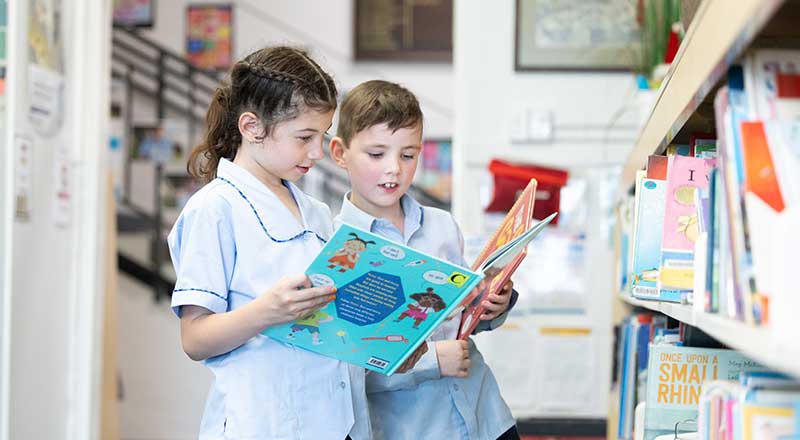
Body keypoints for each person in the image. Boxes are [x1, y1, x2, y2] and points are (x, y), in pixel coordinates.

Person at [168, 46, 372, 439]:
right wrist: (267, 311)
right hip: (263, 423)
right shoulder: (214, 208)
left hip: (335, 421)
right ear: (251, 127)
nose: (317, 152)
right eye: (304, 137)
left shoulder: (314, 211)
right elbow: (194, 339)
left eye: (322, 136)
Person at [329, 80, 521, 440]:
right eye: (376, 154)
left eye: (408, 155)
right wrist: (432, 362)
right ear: (340, 153)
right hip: (412, 429)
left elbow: (458, 318)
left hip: (485, 417)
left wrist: (492, 303)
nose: (394, 170)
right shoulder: (337, 248)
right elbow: (348, 370)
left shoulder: (442, 225)